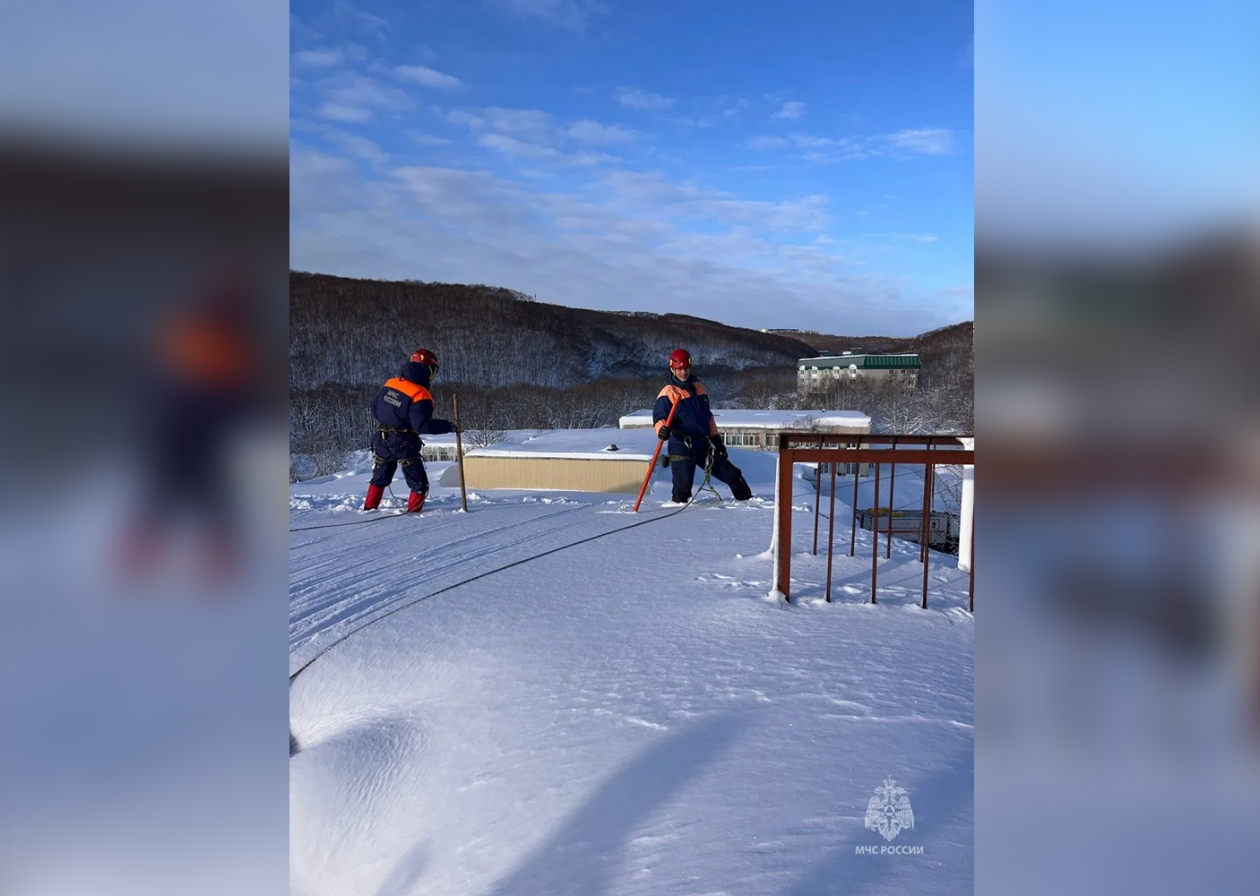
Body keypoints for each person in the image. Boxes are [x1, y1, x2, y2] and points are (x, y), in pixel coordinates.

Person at [364, 348, 459, 513]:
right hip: (404, 442)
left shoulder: (391, 383)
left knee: (379, 479)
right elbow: (422, 425)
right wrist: (449, 426)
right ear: (429, 370)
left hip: (381, 438)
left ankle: (368, 510)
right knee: (419, 484)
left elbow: (375, 409)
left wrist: (393, 418)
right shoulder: (420, 394)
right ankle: (413, 517)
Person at [652, 348, 752, 504]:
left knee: (732, 474)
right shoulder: (668, 392)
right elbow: (659, 417)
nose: (683, 373)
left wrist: (717, 441)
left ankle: (749, 503)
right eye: (679, 369)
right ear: (673, 369)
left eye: (686, 368)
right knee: (683, 488)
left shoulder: (698, 388)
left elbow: (708, 418)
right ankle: (678, 513)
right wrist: (661, 430)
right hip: (681, 445)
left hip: (701, 444)